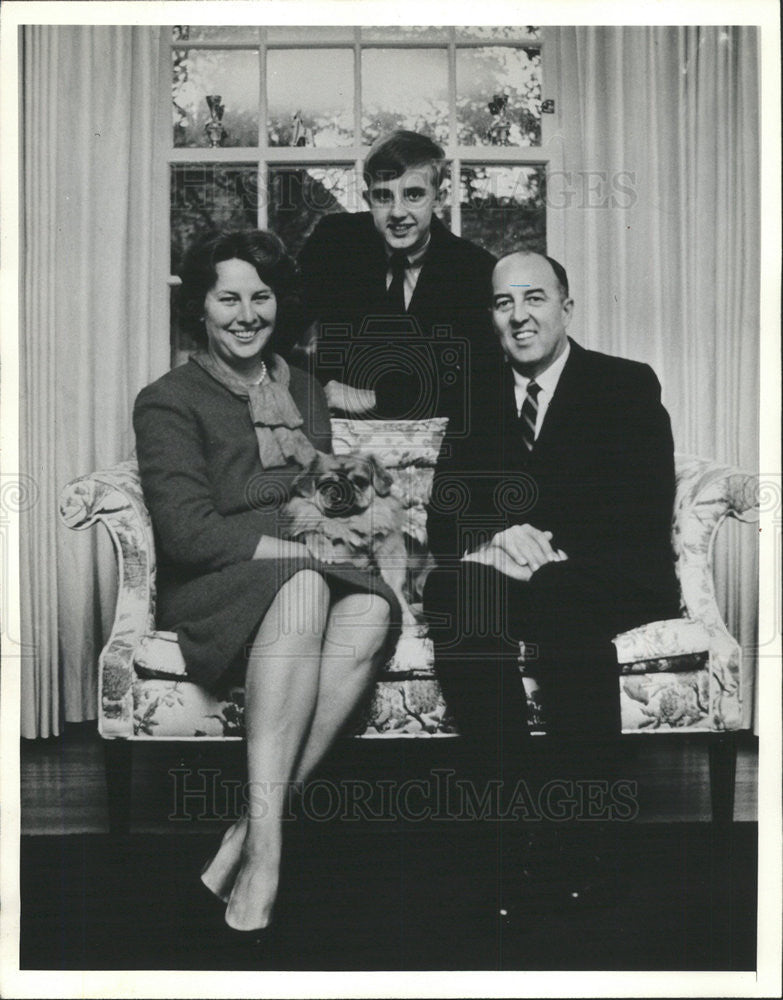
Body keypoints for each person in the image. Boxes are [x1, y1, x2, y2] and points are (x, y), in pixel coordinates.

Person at [133, 230, 399, 936]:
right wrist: (293, 550)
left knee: (371, 613)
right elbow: (186, 531)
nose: (246, 313)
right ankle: (268, 856)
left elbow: (324, 496)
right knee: (307, 587)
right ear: (201, 307)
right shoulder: (167, 399)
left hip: (302, 559)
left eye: (261, 295)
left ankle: (241, 835)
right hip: (219, 580)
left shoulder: (302, 389)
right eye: (228, 298)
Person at [423, 252, 681, 905]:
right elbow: (443, 519)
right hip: (516, 576)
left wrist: (547, 548)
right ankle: (510, 829)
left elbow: (642, 506)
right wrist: (498, 538)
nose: (518, 316)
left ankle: (582, 835)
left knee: (560, 593)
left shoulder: (623, 384)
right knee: (452, 590)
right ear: (491, 316)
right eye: (503, 303)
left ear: (566, 307)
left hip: (610, 573)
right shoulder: (477, 395)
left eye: (533, 298)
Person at [297, 130, 500, 425]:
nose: (397, 212)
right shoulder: (336, 242)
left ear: (439, 198)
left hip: (441, 444)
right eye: (383, 196)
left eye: (413, 194)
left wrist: (372, 397)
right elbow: (283, 325)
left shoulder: (474, 270)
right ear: (367, 198)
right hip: (337, 439)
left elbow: (482, 381)